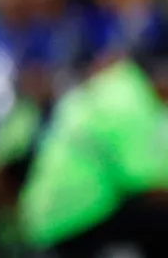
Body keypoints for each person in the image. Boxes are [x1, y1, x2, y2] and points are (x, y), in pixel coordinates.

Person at [17, 28, 168, 257]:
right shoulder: (131, 102)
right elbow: (146, 183)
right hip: (75, 218)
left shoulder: (115, 85)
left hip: (45, 215)